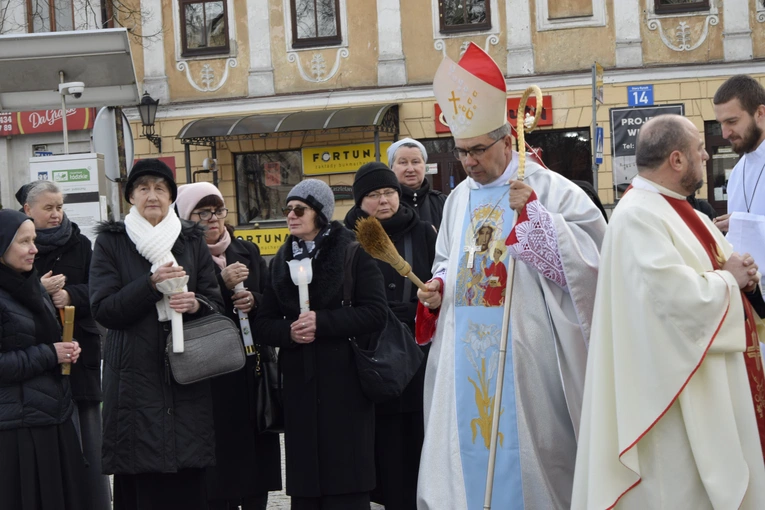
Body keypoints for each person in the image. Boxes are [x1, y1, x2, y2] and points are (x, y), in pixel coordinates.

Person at [415, 43, 606, 509]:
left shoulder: (551, 190)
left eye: (478, 150)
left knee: (534, 459)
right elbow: (447, 260)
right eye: (461, 153)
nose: (469, 163)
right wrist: (438, 286)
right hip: (466, 351)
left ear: (507, 140)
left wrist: (538, 220)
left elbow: (593, 264)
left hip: (529, 358)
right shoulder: (458, 198)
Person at [572, 114, 765, 509]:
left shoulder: (679, 208)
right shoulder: (636, 216)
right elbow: (671, 302)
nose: (708, 155)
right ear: (677, 160)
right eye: (700, 150)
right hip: (671, 398)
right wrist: (729, 282)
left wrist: (744, 275)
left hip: (705, 383)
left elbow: (720, 266)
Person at [89, 159, 225, 510]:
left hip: (186, 377)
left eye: (160, 188)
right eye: (144, 188)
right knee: (143, 477)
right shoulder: (111, 242)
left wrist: (195, 304)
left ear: (171, 197)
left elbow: (214, 301)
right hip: (135, 380)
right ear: (130, 196)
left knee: (187, 476)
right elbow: (104, 310)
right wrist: (151, 285)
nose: (152, 195)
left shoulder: (191, 239)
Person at [254, 179, 388, 510]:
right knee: (307, 492)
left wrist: (323, 323)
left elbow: (375, 313)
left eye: (300, 209)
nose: (291, 216)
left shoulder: (353, 252)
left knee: (346, 484)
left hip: (345, 385)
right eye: (287, 209)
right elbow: (263, 324)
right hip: (300, 387)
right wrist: (289, 333)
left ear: (322, 214)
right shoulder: (281, 260)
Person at [175, 181, 282, 510]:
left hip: (251, 365)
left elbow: (272, 301)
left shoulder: (245, 250)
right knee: (220, 456)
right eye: (202, 212)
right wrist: (222, 286)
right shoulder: (181, 255)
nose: (213, 219)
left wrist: (254, 299)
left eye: (218, 210)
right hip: (211, 369)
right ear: (185, 217)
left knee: (255, 451)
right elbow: (188, 310)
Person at [343, 162, 436, 510]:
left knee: (418, 435)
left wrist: (427, 302)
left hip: (419, 350)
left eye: (389, 192)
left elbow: (440, 278)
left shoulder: (423, 231)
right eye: (373, 195)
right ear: (360, 201)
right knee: (384, 444)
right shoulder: (347, 237)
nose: (384, 201)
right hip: (374, 354)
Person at [17, 180, 112, 510]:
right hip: (39, 364)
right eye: (48, 208)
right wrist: (40, 290)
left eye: (59, 207)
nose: (56, 214)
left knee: (90, 440)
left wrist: (71, 295)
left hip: (80, 356)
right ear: (28, 210)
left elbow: (100, 291)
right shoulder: (14, 245)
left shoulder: (81, 244)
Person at [0, 209, 88, 510]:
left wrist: (68, 349)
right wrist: (50, 353)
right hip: (16, 431)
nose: (34, 249)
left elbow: (45, 339)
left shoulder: (31, 285)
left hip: (53, 418)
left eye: (33, 240)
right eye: (24, 242)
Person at [713, 75, 765, 235]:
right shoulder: (737, 172)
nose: (725, 133)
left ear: (760, 113)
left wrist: (742, 224)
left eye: (732, 121)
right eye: (721, 124)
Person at [387, 138, 447, 229]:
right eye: (403, 162)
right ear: (391, 168)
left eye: (415, 162)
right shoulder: (384, 204)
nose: (410, 169)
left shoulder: (442, 202)